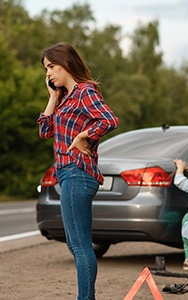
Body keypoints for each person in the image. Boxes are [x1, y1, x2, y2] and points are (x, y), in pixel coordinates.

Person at [37, 42, 118, 300]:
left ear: (66, 63)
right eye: (45, 69)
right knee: (77, 245)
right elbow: (44, 131)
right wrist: (52, 98)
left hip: (77, 171)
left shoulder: (85, 91)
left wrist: (84, 135)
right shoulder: (65, 99)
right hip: (68, 173)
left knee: (81, 246)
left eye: (52, 66)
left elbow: (109, 120)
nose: (48, 73)